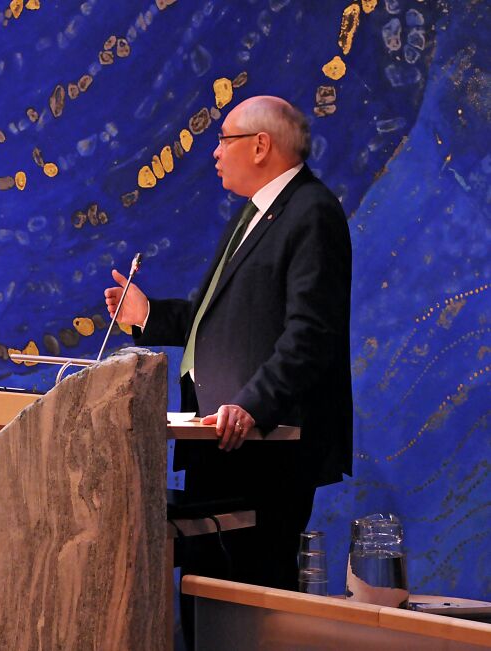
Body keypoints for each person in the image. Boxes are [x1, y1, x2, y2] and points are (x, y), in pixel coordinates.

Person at [104, 96, 353, 594]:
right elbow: (215, 315)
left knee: (248, 595)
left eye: (224, 140)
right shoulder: (254, 213)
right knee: (207, 589)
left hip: (264, 445)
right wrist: (147, 315)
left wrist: (252, 405)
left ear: (261, 145)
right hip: (216, 440)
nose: (214, 153)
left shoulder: (312, 212)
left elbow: (311, 333)